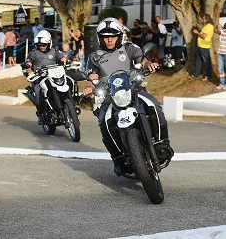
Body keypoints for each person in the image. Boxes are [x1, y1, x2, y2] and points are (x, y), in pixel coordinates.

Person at [83, 17, 172, 176]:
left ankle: (161, 143)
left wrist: (148, 64)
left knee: (153, 105)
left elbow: (142, 60)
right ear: (100, 37)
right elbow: (92, 77)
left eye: (113, 35)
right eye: (105, 36)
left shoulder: (129, 48)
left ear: (120, 35)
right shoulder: (95, 57)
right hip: (110, 97)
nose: (109, 39)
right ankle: (118, 159)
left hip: (134, 89)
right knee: (103, 121)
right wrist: (89, 87)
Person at [23, 30, 67, 122]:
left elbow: (62, 57)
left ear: (49, 43)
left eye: (43, 45)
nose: (41, 47)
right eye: (39, 45)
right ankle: (41, 114)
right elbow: (28, 62)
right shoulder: (34, 53)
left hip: (54, 76)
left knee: (69, 83)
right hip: (40, 78)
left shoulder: (54, 51)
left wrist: (65, 61)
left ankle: (70, 105)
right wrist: (29, 69)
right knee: (38, 92)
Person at [190, 14, 214, 81]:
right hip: (200, 46)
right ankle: (195, 74)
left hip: (205, 47)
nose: (203, 20)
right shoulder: (206, 26)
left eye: (204, 19)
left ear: (207, 19)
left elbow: (204, 36)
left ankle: (208, 75)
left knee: (206, 62)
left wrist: (197, 33)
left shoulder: (209, 26)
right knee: (198, 61)